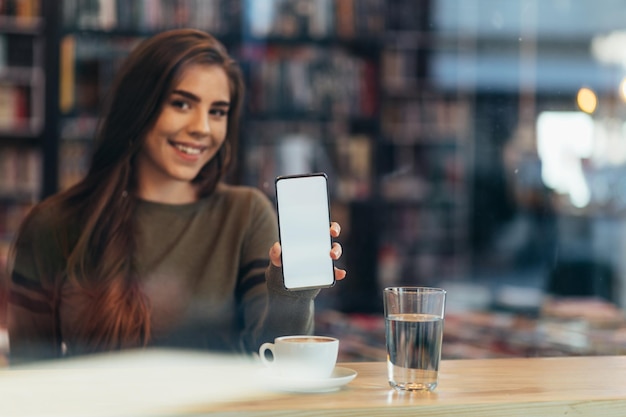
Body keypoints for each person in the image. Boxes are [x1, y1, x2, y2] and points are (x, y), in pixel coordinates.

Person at [7, 29, 347, 364]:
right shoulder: (55, 223)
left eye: (217, 111)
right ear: (138, 107)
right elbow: (32, 373)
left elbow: (274, 359)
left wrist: (292, 292)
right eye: (182, 103)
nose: (202, 127)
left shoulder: (245, 214)